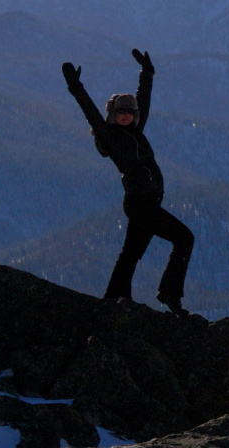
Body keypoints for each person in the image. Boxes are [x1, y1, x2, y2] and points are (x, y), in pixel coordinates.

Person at [61, 49, 194, 314]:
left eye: (129, 111)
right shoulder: (110, 136)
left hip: (148, 200)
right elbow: (90, 112)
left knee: (131, 254)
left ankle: (113, 298)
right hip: (140, 203)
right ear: (111, 115)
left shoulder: (135, 129)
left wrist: (147, 73)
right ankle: (169, 293)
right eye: (120, 111)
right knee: (184, 238)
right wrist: (75, 86)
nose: (126, 114)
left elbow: (143, 101)